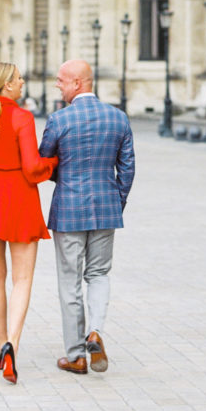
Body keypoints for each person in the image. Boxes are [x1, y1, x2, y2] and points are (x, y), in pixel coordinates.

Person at [39, 59, 135, 374]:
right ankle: (96, 330)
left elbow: (46, 162)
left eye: (61, 80)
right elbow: (128, 167)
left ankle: (76, 355)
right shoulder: (118, 118)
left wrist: (64, 181)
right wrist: (115, 200)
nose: (57, 85)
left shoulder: (59, 120)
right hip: (107, 208)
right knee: (99, 274)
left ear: (78, 82)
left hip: (68, 209)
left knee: (69, 281)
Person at [0, 62, 58, 384]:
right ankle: (13, 346)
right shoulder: (22, 117)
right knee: (22, 280)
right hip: (19, 196)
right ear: (6, 85)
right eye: (18, 79)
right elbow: (33, 169)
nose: (22, 83)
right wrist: (55, 162)